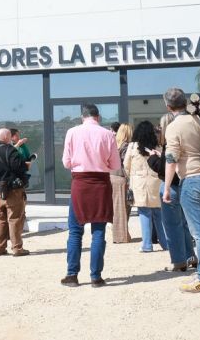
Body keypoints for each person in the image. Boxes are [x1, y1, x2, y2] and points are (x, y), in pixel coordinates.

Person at [162, 89, 200, 292]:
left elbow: (171, 159)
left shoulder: (174, 127)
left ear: (168, 107)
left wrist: (167, 187)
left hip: (191, 179)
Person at [60, 103, 120, 287]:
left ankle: (72, 275)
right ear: (98, 117)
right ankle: (96, 276)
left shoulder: (72, 132)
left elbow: (66, 162)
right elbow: (116, 165)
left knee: (75, 231)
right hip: (101, 183)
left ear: (82, 116)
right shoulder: (108, 134)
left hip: (80, 183)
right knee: (98, 233)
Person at [158, 90, 197, 275]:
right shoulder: (195, 124)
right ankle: (191, 257)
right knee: (186, 224)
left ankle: (179, 261)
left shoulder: (172, 133)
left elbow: (169, 162)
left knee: (172, 226)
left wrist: (153, 159)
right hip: (190, 180)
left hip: (174, 183)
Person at [0, 128, 30, 257]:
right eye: (10, 136)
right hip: (12, 191)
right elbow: (20, 168)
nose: (11, 138)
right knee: (15, 218)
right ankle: (17, 248)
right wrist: (26, 165)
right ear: (6, 137)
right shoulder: (11, 151)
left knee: (1, 218)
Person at [126, 121, 167, 253]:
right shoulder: (157, 147)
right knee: (158, 213)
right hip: (156, 181)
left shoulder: (132, 146)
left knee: (144, 212)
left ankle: (147, 244)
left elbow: (126, 165)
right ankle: (165, 243)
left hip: (139, 182)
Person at [110, 123, 133, 244]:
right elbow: (127, 164)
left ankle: (121, 234)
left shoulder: (113, 144)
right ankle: (121, 236)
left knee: (116, 208)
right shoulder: (127, 146)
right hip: (121, 177)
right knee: (124, 208)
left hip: (111, 176)